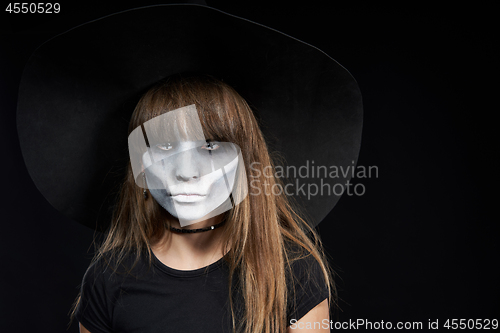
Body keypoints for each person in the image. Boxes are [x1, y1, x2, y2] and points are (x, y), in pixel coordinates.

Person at [71, 74, 333, 333]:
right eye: (165, 147)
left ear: (244, 162)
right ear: (141, 165)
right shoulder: (108, 277)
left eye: (210, 146)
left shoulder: (292, 270)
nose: (186, 171)